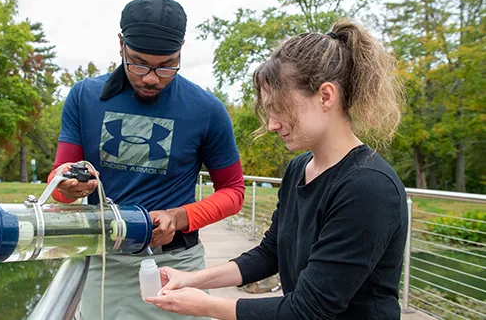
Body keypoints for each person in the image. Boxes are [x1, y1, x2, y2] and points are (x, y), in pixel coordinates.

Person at [146, 19, 408, 320]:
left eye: (281, 108)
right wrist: (191, 278)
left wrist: (205, 305)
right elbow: (270, 254)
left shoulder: (368, 187)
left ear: (326, 96)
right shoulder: (299, 169)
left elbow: (309, 310)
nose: (271, 124)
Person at [47, 0, 245, 320]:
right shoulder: (84, 97)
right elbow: (58, 184)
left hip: (178, 267)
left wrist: (178, 217)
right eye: (138, 63)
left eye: (166, 67)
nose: (151, 78)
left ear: (181, 50)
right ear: (120, 44)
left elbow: (234, 192)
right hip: (105, 264)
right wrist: (64, 186)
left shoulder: (207, 110)